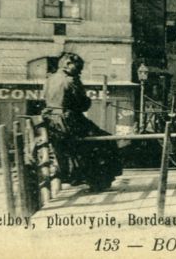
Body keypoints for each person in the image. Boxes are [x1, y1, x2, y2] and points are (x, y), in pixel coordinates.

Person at [42, 52, 123, 192]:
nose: (80, 71)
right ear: (67, 64)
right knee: (106, 141)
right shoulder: (71, 80)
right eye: (78, 67)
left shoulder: (49, 79)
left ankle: (89, 178)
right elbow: (83, 105)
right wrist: (86, 100)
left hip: (53, 122)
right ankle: (98, 181)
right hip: (69, 122)